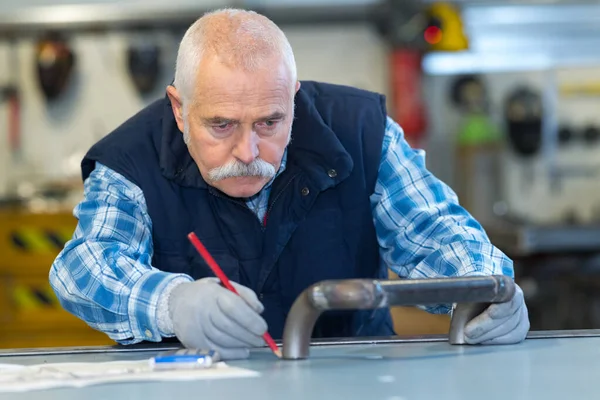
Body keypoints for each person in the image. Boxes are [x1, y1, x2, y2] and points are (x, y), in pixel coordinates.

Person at [49, 8, 529, 360]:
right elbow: (83, 267)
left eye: (269, 122)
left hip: (351, 380)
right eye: (221, 125)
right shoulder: (130, 159)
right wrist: (171, 303)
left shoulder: (361, 132)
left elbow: (432, 230)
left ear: (293, 100)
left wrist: (489, 286)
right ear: (179, 108)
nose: (247, 152)